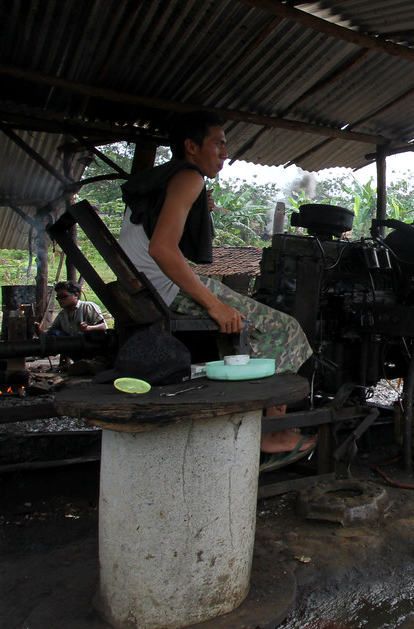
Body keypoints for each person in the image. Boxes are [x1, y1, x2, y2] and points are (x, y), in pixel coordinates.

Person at [119, 110, 314, 457]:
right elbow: (162, 248)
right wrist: (214, 303)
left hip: (145, 287)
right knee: (287, 330)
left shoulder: (163, 178)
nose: (225, 153)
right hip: (165, 289)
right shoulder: (189, 177)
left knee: (246, 326)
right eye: (218, 145)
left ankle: (240, 418)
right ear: (191, 147)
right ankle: (272, 432)